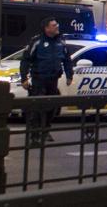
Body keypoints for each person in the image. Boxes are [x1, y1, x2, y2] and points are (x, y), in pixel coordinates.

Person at [19, 17, 74, 147]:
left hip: (53, 80)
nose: (57, 27)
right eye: (54, 25)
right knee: (37, 108)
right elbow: (26, 60)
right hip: (39, 79)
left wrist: (69, 75)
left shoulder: (61, 41)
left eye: (57, 24)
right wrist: (24, 78)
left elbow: (67, 59)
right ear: (47, 28)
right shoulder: (37, 41)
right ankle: (34, 135)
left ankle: (45, 130)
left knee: (51, 108)